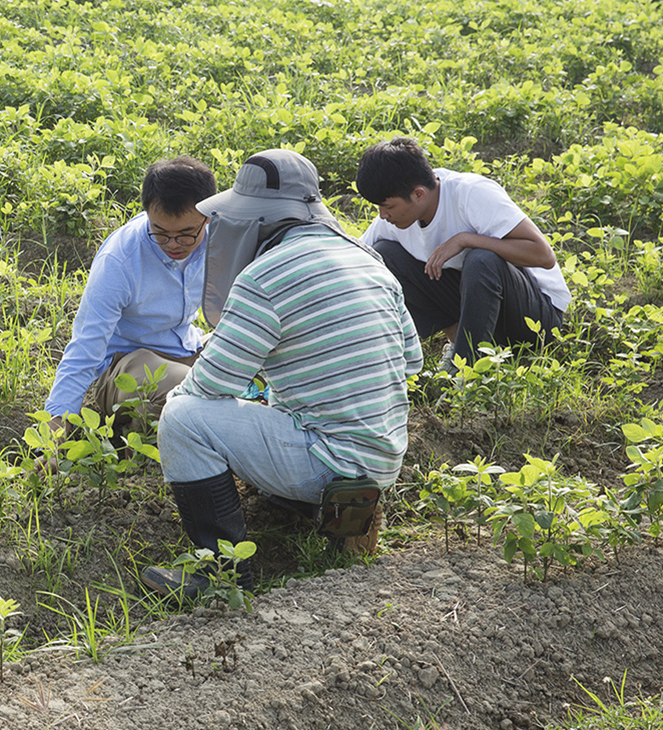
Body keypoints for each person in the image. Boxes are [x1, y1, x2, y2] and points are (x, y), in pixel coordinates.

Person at [142, 149, 425, 600]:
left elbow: (211, 384)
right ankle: (317, 510)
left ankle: (221, 575)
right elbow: (412, 362)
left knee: (183, 417)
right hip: (382, 457)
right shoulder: (371, 262)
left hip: (326, 456)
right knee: (285, 401)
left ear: (254, 220)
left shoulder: (265, 276)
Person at [354, 137, 570, 377]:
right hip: (479, 309)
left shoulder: (470, 193)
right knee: (385, 256)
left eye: (387, 207)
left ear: (418, 194)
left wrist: (466, 239)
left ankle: (467, 370)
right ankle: (462, 347)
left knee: (481, 259)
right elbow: (358, 262)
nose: (382, 215)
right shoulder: (397, 213)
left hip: (535, 320)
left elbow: (543, 255)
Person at [42, 155, 217, 440]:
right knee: (184, 389)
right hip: (126, 365)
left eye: (186, 234)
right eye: (160, 233)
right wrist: (53, 429)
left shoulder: (221, 239)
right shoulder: (121, 259)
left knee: (258, 359)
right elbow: (86, 346)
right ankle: (137, 442)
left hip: (188, 346)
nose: (172, 245)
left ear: (208, 217)